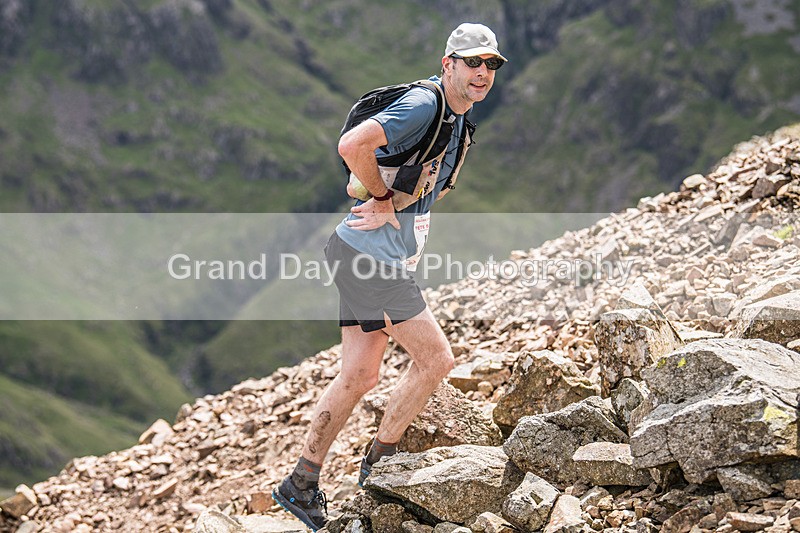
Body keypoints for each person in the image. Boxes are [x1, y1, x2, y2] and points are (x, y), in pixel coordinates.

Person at [272, 22, 507, 531]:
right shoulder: (426, 105)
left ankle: (301, 482)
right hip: (369, 260)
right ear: (448, 64)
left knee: (359, 375)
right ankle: (382, 468)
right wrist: (381, 199)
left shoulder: (460, 121)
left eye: (491, 64)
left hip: (367, 255)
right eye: (472, 62)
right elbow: (353, 144)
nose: (483, 72)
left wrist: (392, 210)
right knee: (436, 359)